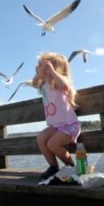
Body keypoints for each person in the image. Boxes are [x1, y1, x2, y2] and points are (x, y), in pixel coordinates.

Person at [33, 52, 80, 180]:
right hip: (55, 126)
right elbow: (33, 83)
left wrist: (52, 72)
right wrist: (38, 74)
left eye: (43, 65)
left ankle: (71, 166)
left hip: (69, 125)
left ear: (53, 68)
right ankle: (53, 166)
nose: (40, 66)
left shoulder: (59, 84)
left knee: (52, 144)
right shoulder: (43, 85)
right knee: (41, 138)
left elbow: (65, 84)